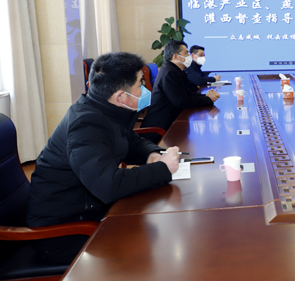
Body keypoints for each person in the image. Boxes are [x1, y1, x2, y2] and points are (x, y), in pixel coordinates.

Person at [27, 52, 181, 264]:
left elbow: (130, 140)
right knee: (159, 249)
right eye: (140, 84)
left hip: (90, 210)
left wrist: (152, 154)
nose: (145, 90)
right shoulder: (85, 125)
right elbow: (108, 185)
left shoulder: (106, 109)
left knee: (159, 229)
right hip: (63, 232)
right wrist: (162, 169)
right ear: (120, 96)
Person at [143, 40, 220, 140]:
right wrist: (208, 99)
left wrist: (205, 96)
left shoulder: (176, 70)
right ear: (176, 56)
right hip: (160, 129)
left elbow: (186, 93)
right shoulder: (170, 73)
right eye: (186, 53)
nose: (189, 56)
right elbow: (181, 101)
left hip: (172, 121)